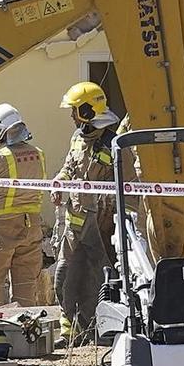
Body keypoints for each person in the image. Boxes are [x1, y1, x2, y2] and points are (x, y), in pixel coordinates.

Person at [52, 82, 120, 342]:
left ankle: (100, 332)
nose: (72, 116)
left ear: (89, 110)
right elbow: (69, 167)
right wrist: (59, 182)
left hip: (101, 228)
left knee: (100, 280)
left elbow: (129, 185)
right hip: (74, 225)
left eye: (75, 110)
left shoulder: (114, 144)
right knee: (64, 277)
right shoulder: (78, 138)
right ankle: (71, 332)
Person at [0, 103, 46, 307]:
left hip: (2, 228)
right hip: (32, 227)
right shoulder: (38, 153)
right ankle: (25, 335)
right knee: (26, 285)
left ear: (0, 130)